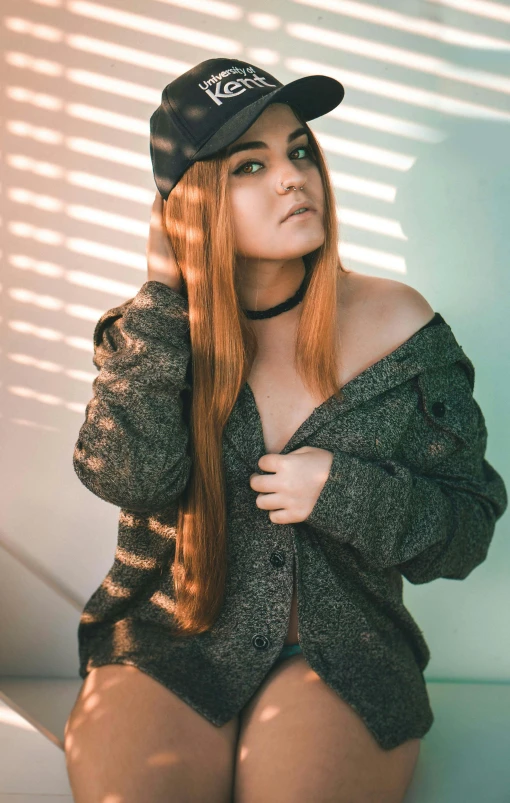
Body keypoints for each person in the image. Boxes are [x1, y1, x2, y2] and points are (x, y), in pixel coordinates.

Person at [64, 59, 507, 802]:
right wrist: (164, 296)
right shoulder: (150, 336)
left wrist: (344, 489)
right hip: (167, 645)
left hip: (345, 655)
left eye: (300, 150)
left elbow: (466, 530)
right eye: (250, 164)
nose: (292, 178)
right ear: (193, 200)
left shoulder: (401, 327)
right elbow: (128, 477)